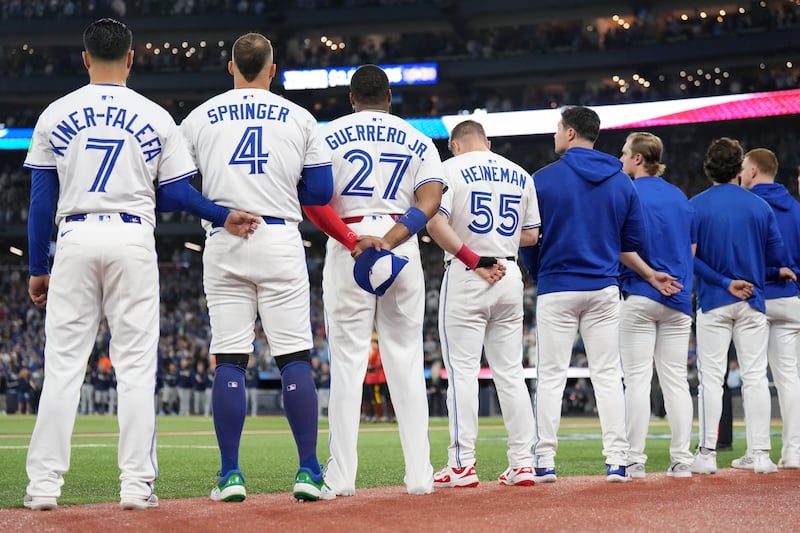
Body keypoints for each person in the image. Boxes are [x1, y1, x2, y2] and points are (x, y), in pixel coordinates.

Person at [22, 18, 259, 511]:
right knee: (134, 368)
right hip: (131, 236)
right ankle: (135, 485)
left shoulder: (55, 113)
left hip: (75, 234)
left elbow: (41, 203)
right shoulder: (155, 115)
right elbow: (177, 195)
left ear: (85, 58)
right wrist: (221, 215)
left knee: (63, 367)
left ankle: (43, 487)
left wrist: (38, 267)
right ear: (131, 58)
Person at [179, 32, 350, 502]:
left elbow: (174, 188)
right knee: (293, 357)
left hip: (225, 237)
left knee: (230, 358)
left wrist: (219, 212)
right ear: (273, 70)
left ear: (231, 67)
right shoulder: (300, 117)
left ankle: (230, 475)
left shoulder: (199, 117)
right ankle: (308, 471)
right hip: (278, 236)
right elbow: (320, 191)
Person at [519, 106, 680, 483]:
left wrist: (542, 274)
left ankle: (544, 460)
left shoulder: (542, 178)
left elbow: (529, 239)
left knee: (551, 375)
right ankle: (617, 461)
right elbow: (633, 241)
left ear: (570, 133)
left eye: (558, 129)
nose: (555, 135)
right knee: (607, 375)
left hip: (558, 285)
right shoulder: (622, 181)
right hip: (604, 287)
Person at [318, 64, 444, 498]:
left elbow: (314, 199)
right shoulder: (417, 137)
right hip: (400, 243)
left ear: (351, 98)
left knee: (347, 363)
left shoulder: (328, 133)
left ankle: (342, 477)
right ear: (389, 97)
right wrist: (390, 239)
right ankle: (420, 476)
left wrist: (354, 240)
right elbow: (430, 200)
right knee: (406, 361)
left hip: (349, 242)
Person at [425, 119, 539, 488]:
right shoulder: (520, 173)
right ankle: (523, 463)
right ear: (486, 142)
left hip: (468, 270)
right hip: (508, 272)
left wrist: (475, 258)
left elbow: (434, 225)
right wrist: (496, 242)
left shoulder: (448, 168)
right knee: (511, 373)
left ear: (455, 145)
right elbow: (531, 235)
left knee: (462, 373)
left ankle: (462, 464)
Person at [689, 137, 794, 475]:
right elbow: (777, 257)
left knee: (711, 380)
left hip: (714, 300)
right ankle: (760, 455)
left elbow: (690, 259)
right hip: (752, 300)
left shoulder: (696, 205)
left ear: (708, 167)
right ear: (739, 168)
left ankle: (707, 454)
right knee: (755, 377)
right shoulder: (760, 207)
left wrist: (724, 282)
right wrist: (759, 274)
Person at [617, 132, 696, 479]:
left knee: (636, 380)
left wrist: (650, 275)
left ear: (638, 158)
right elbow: (691, 250)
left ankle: (634, 460)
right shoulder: (680, 196)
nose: (620, 158)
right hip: (677, 296)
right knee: (676, 381)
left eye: (624, 153)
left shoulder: (627, 192)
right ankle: (682, 460)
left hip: (641, 292)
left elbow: (620, 246)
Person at [738, 147, 800, 469]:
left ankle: (757, 451)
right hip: (791, 299)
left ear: (753, 171)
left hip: (756, 298)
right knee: (790, 378)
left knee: (754, 376)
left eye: (743, 167)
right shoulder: (797, 209)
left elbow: (742, 258)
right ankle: (794, 452)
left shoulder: (747, 205)